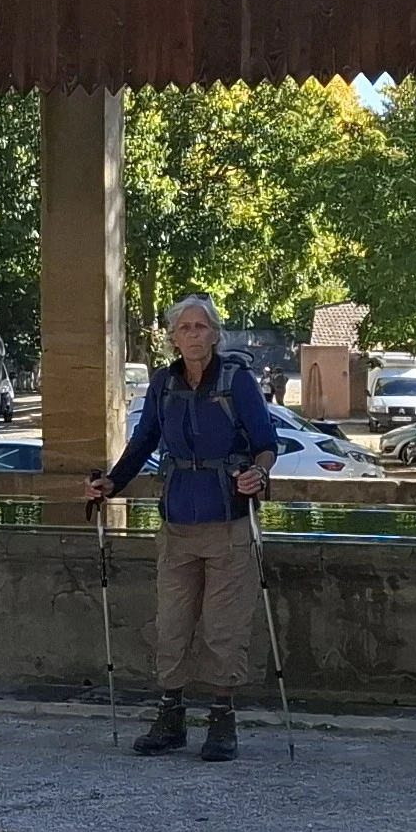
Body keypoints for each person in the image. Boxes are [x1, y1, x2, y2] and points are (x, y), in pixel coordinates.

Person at [88, 293, 279, 761]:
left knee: (224, 628)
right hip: (176, 524)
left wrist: (260, 473)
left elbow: (266, 443)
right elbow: (144, 440)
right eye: (184, 328)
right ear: (173, 338)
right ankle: (170, 717)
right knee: (171, 625)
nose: (193, 335)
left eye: (201, 327)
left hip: (229, 523)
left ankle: (221, 720)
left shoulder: (237, 382)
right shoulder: (163, 383)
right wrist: (112, 482)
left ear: (215, 333)